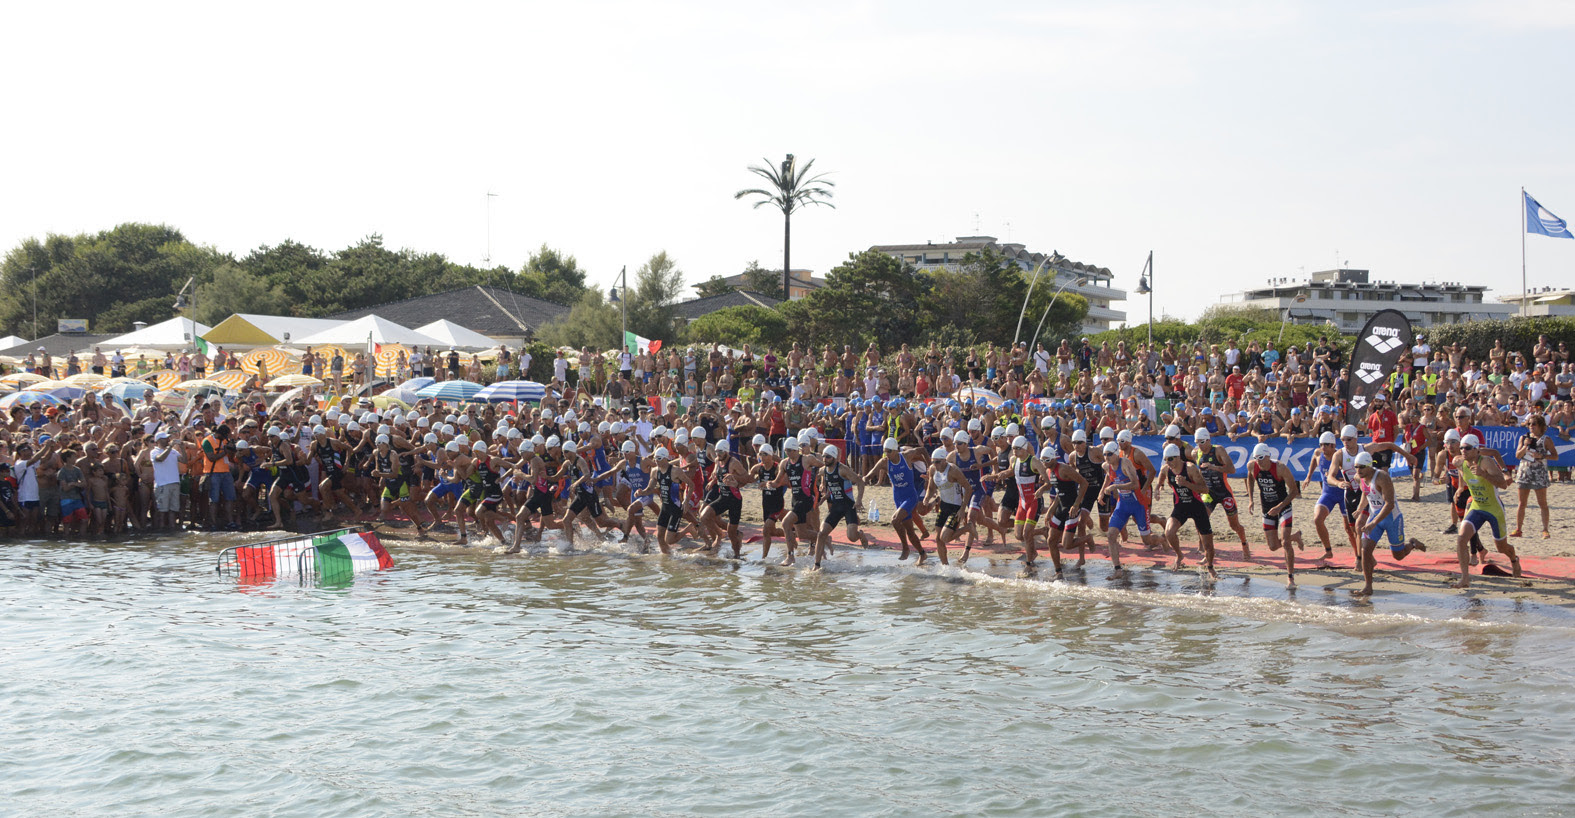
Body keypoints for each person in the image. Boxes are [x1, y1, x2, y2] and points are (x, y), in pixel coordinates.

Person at [1351, 451, 1427, 596]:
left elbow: (1389, 504)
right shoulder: (1360, 477)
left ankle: (1412, 544)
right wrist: (1360, 509)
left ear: (1369, 466)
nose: (1358, 471)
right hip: (1375, 517)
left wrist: (1373, 523)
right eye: (1356, 467)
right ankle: (1368, 586)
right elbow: (1366, 493)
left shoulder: (1382, 477)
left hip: (1391, 518)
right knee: (1365, 549)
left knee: (1398, 556)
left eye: (1361, 467)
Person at [1452, 434, 1521, 589]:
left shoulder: (1486, 462)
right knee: (1461, 538)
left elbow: (1503, 485)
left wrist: (1484, 474)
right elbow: (1462, 472)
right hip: (1477, 506)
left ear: (1476, 450)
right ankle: (1465, 578)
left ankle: (1514, 559)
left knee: (1501, 547)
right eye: (1461, 448)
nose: (1463, 451)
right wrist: (1461, 487)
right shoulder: (1461, 463)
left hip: (1493, 508)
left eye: (1467, 448)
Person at [1246, 443, 1300, 588]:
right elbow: (1250, 478)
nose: (1259, 461)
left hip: (1283, 506)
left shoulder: (1280, 468)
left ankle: (1290, 578)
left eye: (1261, 458)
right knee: (1272, 546)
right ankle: (1295, 536)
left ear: (1268, 456)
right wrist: (1251, 499)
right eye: (1256, 458)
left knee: (1285, 543)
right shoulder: (1252, 466)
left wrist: (1280, 506)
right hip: (1267, 508)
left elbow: (1294, 491)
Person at [1161, 442, 1213, 577]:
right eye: (1166, 459)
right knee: (1169, 532)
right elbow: (1163, 478)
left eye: (1171, 459)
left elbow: (1205, 489)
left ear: (1178, 457)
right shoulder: (1166, 469)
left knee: (1208, 545)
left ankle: (1211, 568)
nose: (1169, 462)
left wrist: (1186, 484)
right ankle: (1179, 555)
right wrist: (1157, 488)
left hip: (1196, 506)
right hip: (1181, 506)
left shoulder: (1190, 469)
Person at [1511, 414, 1555, 539]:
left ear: (1541, 426)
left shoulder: (1546, 440)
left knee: (1542, 503)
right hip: (1524, 473)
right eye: (1529, 424)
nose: (1531, 426)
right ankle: (1518, 529)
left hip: (1539, 473)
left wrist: (1542, 456)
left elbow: (1555, 456)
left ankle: (1545, 529)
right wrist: (1525, 446)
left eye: (1534, 424)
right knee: (1521, 503)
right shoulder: (1524, 438)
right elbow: (1517, 456)